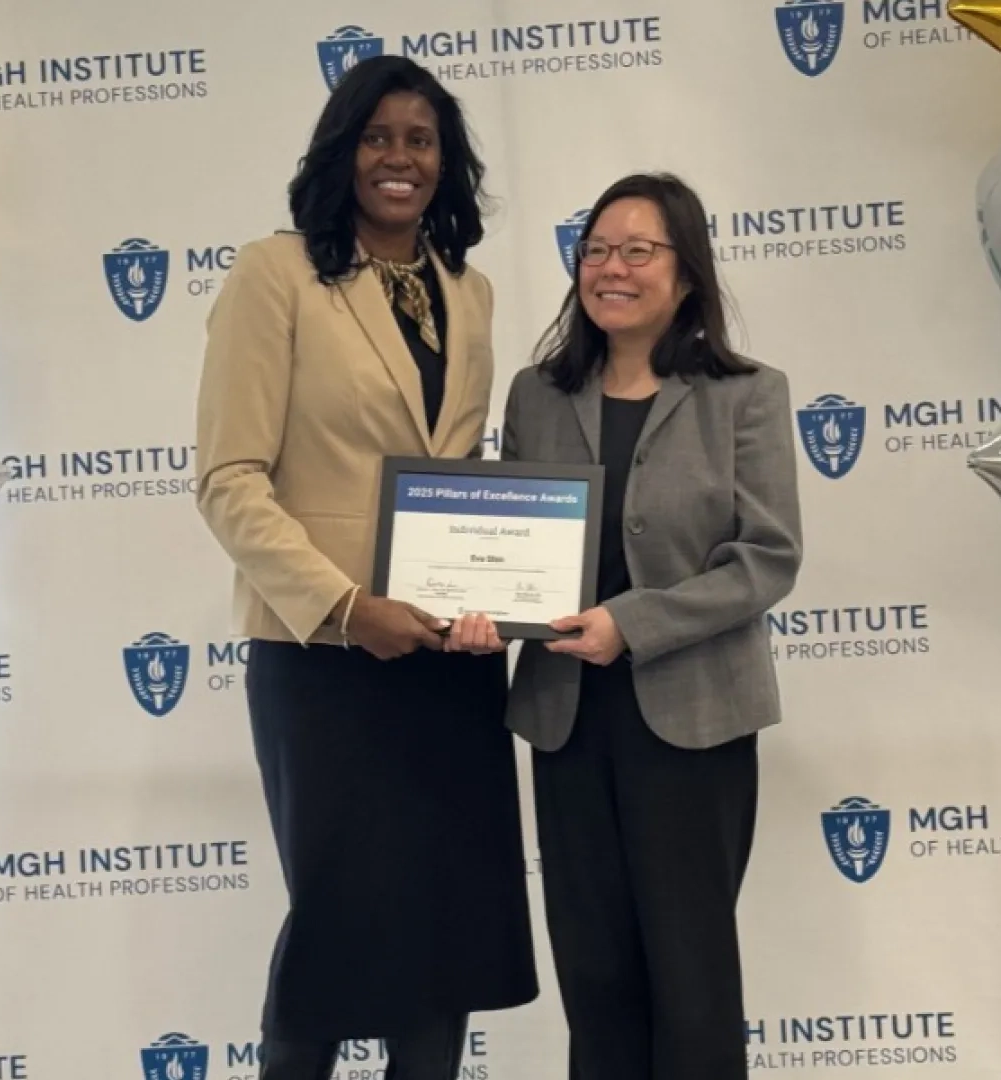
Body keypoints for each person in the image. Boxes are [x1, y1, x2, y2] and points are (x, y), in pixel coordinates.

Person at [194, 56, 536, 1080]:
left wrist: (499, 596)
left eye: (421, 140)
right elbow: (228, 480)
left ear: (447, 161)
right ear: (342, 153)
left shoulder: (467, 293)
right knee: (342, 928)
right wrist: (347, 607)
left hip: (450, 662)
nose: (401, 158)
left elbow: (459, 473)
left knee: (446, 935)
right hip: (326, 660)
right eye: (379, 137)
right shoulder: (277, 275)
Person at [449, 173, 804, 1080]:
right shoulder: (536, 394)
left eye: (637, 251)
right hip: (567, 722)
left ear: (686, 275)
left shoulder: (746, 394)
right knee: (594, 974)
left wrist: (630, 624)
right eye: (596, 251)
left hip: (692, 725)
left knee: (691, 982)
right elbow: (511, 541)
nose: (612, 268)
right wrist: (481, 606)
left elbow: (766, 557)